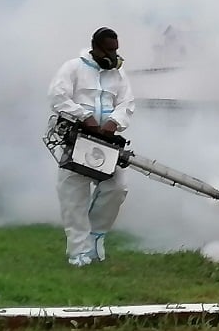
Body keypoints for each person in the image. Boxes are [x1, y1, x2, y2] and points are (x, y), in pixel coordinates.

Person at [47, 27, 135, 267]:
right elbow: (57, 98)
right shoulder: (73, 67)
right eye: (108, 50)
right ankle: (78, 252)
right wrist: (84, 116)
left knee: (117, 187)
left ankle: (96, 238)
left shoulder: (118, 74)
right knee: (73, 195)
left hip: (105, 140)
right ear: (95, 47)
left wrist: (113, 122)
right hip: (76, 139)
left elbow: (127, 103)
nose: (113, 55)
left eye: (116, 50)